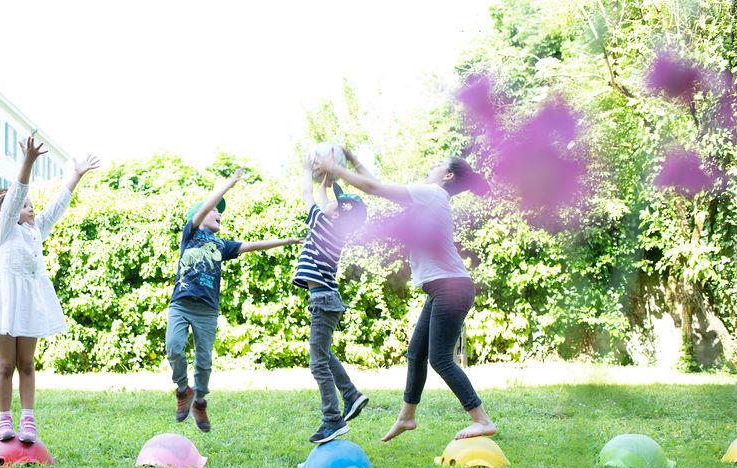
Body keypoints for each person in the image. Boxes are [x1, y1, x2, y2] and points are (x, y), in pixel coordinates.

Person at [315, 152, 497, 441]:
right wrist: (350, 158)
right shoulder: (428, 198)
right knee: (416, 353)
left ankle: (482, 420)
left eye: (438, 164)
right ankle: (406, 417)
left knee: (440, 359)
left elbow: (373, 189)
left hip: (451, 287)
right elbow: (376, 184)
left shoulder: (433, 195)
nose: (430, 165)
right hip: (442, 287)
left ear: (448, 175)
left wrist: (334, 167)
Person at [166, 167, 299, 432]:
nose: (219, 215)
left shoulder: (222, 245)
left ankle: (199, 402)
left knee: (204, 362)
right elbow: (207, 206)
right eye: (216, 210)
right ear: (200, 215)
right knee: (174, 347)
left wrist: (288, 240)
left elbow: (253, 245)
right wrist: (229, 184)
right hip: (181, 305)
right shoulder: (190, 234)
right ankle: (183, 390)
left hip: (207, 311)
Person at [0, 136, 100, 443]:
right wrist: (28, 163)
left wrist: (74, 177)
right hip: (7, 301)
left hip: (29, 303)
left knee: (27, 364)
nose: (31, 207)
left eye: (31, 205)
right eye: (25, 205)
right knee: (6, 364)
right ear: (5, 214)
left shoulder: (35, 231)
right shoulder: (5, 231)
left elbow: (55, 208)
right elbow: (15, 196)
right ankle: (3, 420)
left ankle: (29, 421)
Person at [294, 156, 369, 443]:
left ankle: (332, 419)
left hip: (323, 300)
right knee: (324, 354)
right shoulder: (334, 229)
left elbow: (307, 195)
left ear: (334, 214)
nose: (327, 203)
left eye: (333, 205)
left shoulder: (323, 224)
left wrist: (305, 171)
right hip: (326, 300)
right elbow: (325, 196)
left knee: (318, 364)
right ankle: (351, 394)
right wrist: (327, 179)